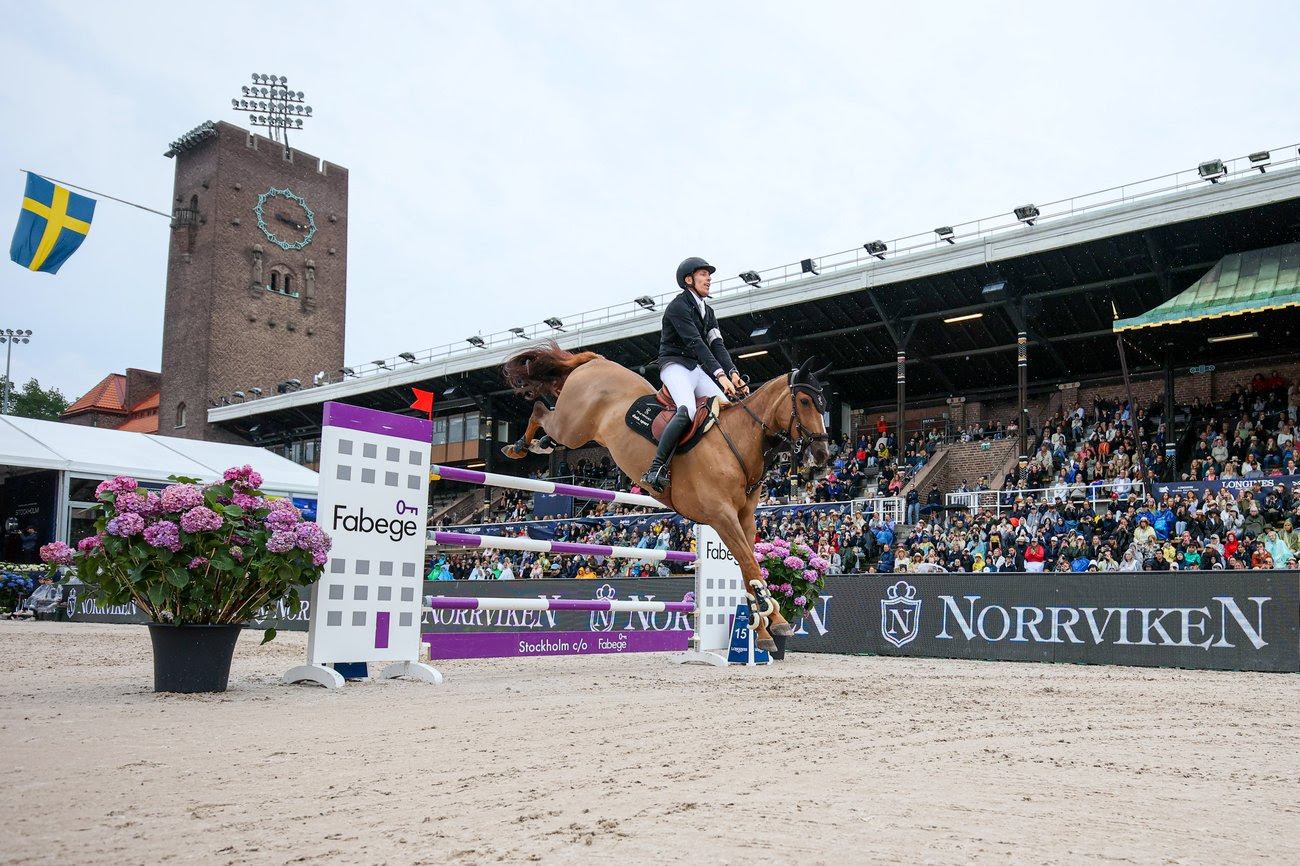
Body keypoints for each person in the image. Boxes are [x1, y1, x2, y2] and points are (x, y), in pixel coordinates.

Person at [640, 257, 747, 494]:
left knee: (727, 405)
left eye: (709, 275)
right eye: (703, 274)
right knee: (687, 409)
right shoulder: (678, 307)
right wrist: (720, 376)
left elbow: (717, 346)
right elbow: (696, 343)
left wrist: (733, 373)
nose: (709, 278)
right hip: (674, 365)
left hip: (694, 368)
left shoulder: (708, 312)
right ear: (689, 280)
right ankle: (655, 468)